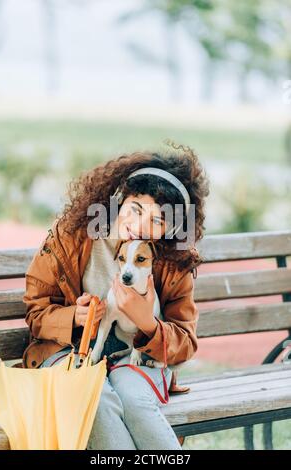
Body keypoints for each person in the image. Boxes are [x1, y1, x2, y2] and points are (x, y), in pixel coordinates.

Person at [22, 141, 210, 450]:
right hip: (66, 351)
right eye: (135, 210)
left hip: (137, 357)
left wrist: (147, 324)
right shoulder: (72, 234)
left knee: (135, 401)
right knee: (95, 397)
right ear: (120, 199)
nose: (139, 226)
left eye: (157, 220)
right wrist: (74, 316)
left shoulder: (173, 260)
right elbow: (36, 311)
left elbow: (184, 343)